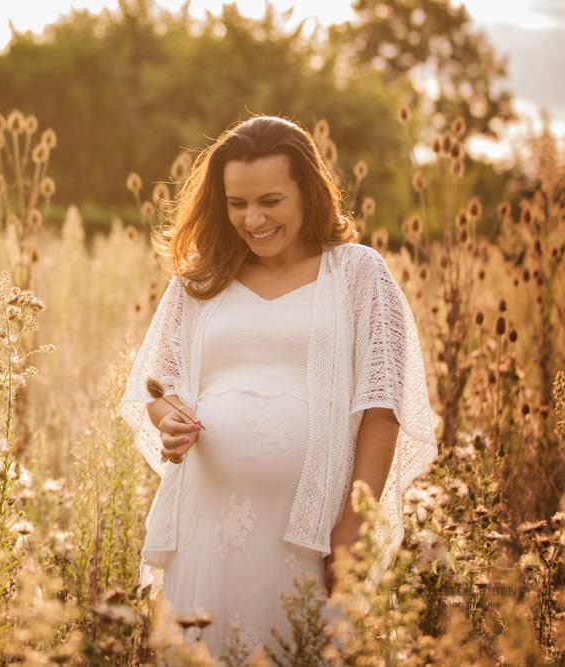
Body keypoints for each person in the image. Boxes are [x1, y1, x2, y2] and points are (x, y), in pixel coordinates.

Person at [118, 115, 438, 661]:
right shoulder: (200, 282)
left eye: (270, 200)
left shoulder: (359, 274)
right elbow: (159, 386)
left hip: (309, 534)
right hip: (208, 523)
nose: (252, 219)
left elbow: (381, 405)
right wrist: (168, 417)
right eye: (236, 203)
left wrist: (355, 524)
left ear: (308, 193)